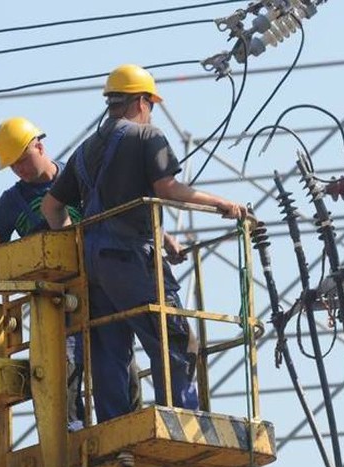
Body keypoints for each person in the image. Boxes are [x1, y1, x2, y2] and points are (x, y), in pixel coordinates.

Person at [41, 64, 247, 423]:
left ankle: (116, 429)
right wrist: (222, 204)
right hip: (131, 260)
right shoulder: (147, 136)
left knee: (109, 347)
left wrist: (78, 243)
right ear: (140, 101)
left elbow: (51, 206)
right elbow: (168, 189)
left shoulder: (84, 150)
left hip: (94, 263)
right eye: (150, 103)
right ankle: (181, 419)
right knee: (173, 338)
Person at [0, 116, 141, 430]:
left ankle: (127, 426)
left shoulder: (81, 175)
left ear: (40, 145)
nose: (20, 169)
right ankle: (71, 430)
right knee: (60, 361)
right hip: (54, 298)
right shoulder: (13, 202)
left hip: (100, 283)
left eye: (23, 160)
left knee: (119, 357)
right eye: (13, 166)